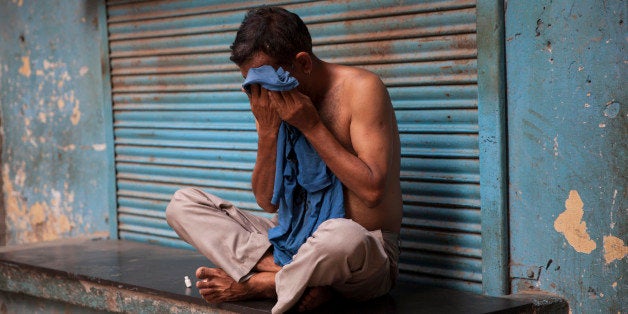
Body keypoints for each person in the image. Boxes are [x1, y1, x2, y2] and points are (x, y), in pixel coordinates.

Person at [166, 6, 403, 313]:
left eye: (267, 83)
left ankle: (262, 283)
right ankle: (296, 278)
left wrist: (312, 126)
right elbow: (267, 202)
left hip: (361, 257)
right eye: (251, 85)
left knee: (342, 236)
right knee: (183, 204)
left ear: (302, 63)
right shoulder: (269, 99)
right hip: (290, 241)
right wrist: (267, 132)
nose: (261, 95)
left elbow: (372, 192)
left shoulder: (362, 89)